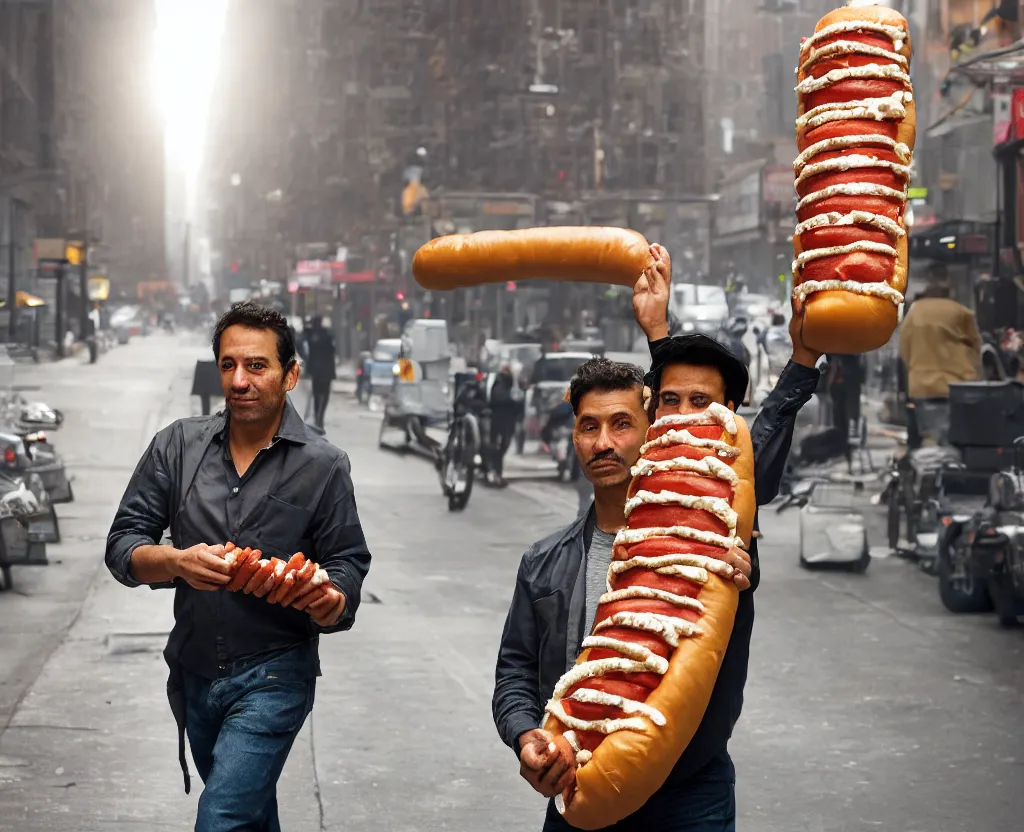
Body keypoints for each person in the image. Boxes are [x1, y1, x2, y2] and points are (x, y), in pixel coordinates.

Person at [492, 244, 822, 831]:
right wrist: (527, 738)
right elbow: (514, 674)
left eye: (623, 424)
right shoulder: (544, 563)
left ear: (651, 433)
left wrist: (801, 359)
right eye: (589, 427)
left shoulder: (718, 541)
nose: (605, 443)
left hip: (691, 797)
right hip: (578, 784)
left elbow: (748, 446)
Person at [105, 301, 371, 832]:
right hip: (195, 668)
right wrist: (176, 562)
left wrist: (331, 598)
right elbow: (122, 546)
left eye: (257, 365)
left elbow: (346, 561)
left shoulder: (323, 464)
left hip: (275, 673)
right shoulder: (177, 446)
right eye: (229, 365)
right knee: (249, 813)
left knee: (222, 816)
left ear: (290, 374)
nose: (240, 380)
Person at [899, 263, 982, 446]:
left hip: (922, 388)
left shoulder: (914, 312)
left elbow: (904, 351)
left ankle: (931, 467)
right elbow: (976, 349)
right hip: (958, 387)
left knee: (930, 438)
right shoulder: (962, 313)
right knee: (957, 440)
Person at [304, 317, 337, 429]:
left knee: (317, 393)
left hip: (317, 369)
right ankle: (320, 417)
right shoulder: (327, 335)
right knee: (324, 393)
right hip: (326, 368)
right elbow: (333, 349)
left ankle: (318, 416)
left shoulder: (311, 335)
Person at [488, 366, 519, 487]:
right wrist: (513, 401)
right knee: (498, 449)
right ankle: (496, 473)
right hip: (500, 421)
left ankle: (496, 473)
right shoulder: (500, 384)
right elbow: (498, 397)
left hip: (505, 421)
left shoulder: (506, 385)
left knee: (500, 448)